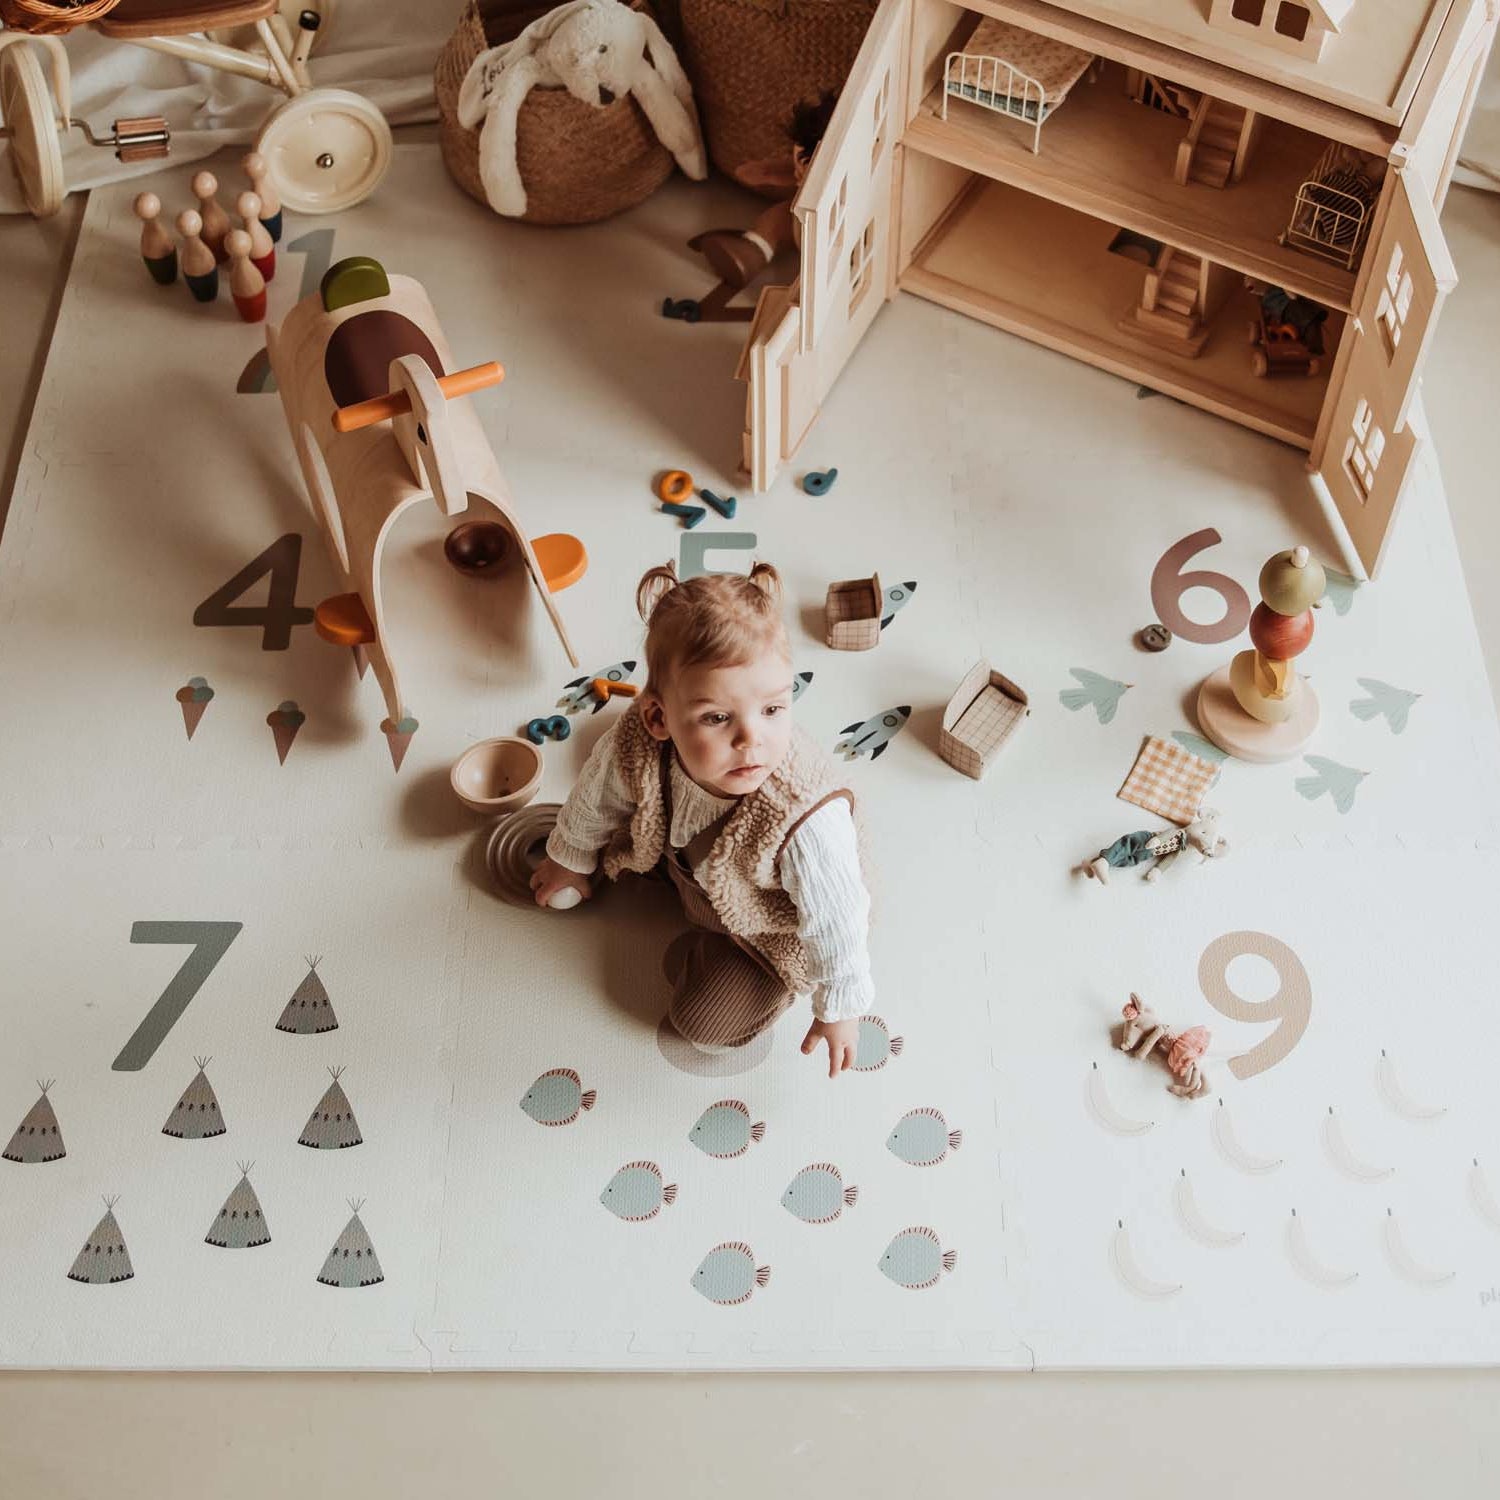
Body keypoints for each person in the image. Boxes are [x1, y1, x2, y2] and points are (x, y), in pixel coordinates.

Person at [529, 561, 875, 1077]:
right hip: (685, 861)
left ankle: (764, 985)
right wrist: (570, 858)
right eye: (717, 717)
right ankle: (666, 881)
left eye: (773, 710)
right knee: (608, 779)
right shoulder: (639, 739)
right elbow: (595, 797)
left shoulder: (805, 816)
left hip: (764, 925)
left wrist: (840, 1007)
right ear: (657, 718)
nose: (751, 740)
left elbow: (837, 920)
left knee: (702, 1024)